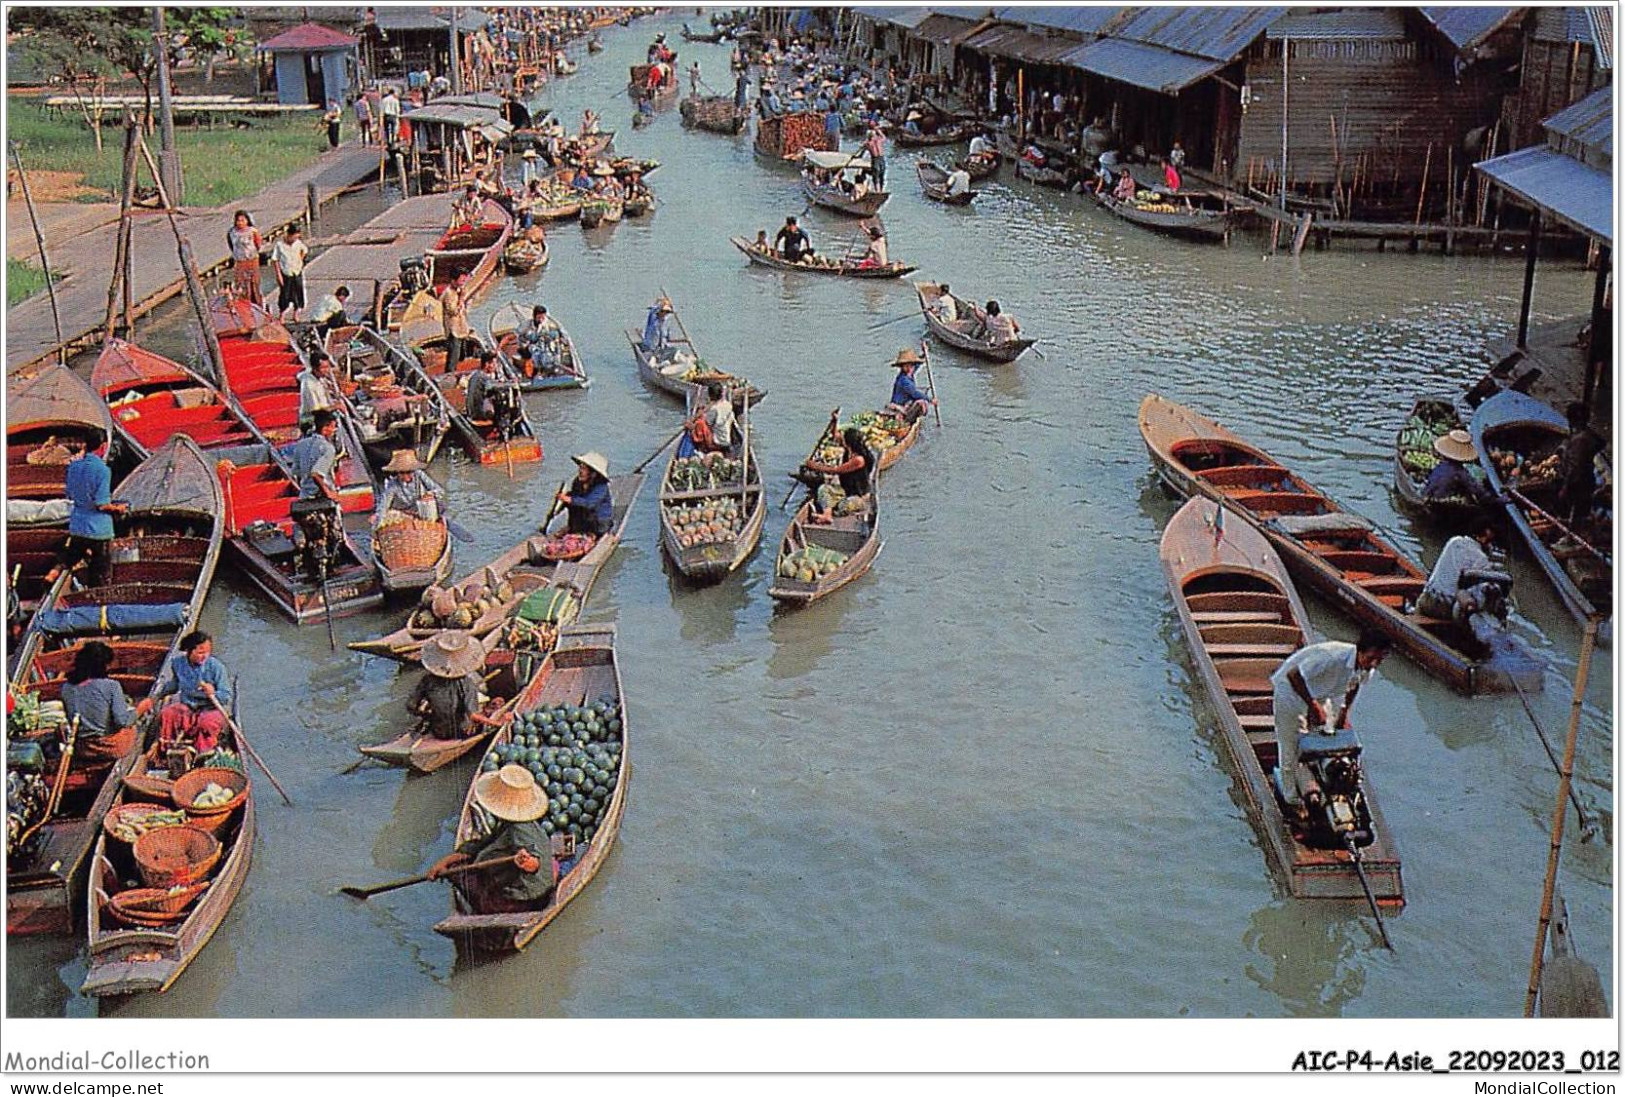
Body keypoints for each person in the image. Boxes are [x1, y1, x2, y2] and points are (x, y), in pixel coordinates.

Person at [1269, 631, 1390, 810]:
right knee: (1290, 748)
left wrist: (1344, 713)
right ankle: (1292, 799)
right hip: (1291, 692)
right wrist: (1313, 706)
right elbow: (1294, 675)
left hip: (1321, 692)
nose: (1374, 664)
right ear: (1360, 651)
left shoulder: (1366, 668)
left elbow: (1354, 686)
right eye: (1371, 658)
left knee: (1331, 737)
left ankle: (1325, 780)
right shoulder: (1332, 657)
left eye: (1379, 660)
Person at [427, 763, 557, 913]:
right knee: (456, 865)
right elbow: (481, 844)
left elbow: (534, 862)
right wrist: (444, 862)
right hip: (527, 886)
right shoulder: (509, 823)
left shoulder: (520, 828)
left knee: (457, 873)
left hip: (525, 896)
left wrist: (526, 861)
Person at [48, 430, 125, 591]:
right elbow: (102, 504)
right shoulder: (103, 470)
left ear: (85, 445)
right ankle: (95, 596)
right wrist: (119, 508)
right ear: (103, 447)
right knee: (100, 569)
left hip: (77, 524)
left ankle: (52, 574)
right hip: (98, 529)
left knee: (70, 557)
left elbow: (69, 493)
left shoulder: (74, 466)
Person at [60, 640, 148, 762]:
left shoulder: (66, 687)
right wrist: (142, 708)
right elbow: (123, 721)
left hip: (84, 749)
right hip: (111, 748)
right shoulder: (111, 686)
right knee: (134, 725)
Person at [153, 630, 232, 755]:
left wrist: (213, 693)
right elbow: (175, 684)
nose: (204, 656)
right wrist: (157, 696)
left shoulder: (216, 667)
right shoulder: (178, 664)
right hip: (189, 705)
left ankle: (204, 752)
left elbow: (226, 696)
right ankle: (167, 749)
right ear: (190, 651)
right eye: (200, 652)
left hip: (211, 708)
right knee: (167, 714)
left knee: (205, 723)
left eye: (207, 652)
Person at [409, 631, 487, 740]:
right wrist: (496, 723)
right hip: (463, 732)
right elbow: (473, 715)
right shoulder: (466, 683)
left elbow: (411, 705)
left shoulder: (427, 680)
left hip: (439, 731)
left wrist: (428, 715)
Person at [1418, 523, 1499, 621]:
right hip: (1446, 608)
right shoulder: (1481, 559)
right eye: (1490, 541)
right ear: (1484, 539)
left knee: (1420, 603)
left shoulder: (1454, 541)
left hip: (1428, 599)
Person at [803, 427, 875, 525]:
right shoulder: (849, 450)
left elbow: (835, 471)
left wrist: (815, 466)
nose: (841, 439)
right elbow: (835, 436)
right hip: (845, 491)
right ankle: (827, 515)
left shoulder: (859, 460)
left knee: (842, 506)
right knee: (823, 489)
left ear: (848, 442)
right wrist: (834, 420)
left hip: (859, 496)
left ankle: (831, 512)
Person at [1556, 402, 1605, 525]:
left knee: (1571, 513)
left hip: (1577, 485)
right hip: (1587, 480)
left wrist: (1565, 489)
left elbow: (1574, 469)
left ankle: (1569, 534)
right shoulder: (1588, 435)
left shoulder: (1580, 440)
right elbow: (1600, 444)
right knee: (1580, 510)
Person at [374, 450, 446, 528]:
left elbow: (440, 490)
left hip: (423, 511)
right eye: (402, 473)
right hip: (406, 514)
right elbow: (384, 504)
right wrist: (377, 525)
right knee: (389, 515)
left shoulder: (419, 475)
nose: (405, 476)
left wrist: (430, 494)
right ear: (397, 472)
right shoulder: (393, 484)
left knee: (437, 503)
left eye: (409, 472)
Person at [280, 410, 340, 502]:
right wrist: (328, 493)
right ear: (325, 428)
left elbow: (296, 471)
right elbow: (316, 474)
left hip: (304, 496)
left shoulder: (301, 444)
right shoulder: (328, 448)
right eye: (333, 427)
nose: (334, 430)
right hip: (322, 497)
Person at [1423, 430, 1492, 505]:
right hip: (1443, 504)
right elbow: (1478, 491)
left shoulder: (1440, 466)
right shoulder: (1460, 473)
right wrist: (1498, 500)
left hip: (1431, 497)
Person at [557, 452, 614, 536]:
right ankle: (573, 528)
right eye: (580, 468)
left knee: (573, 501)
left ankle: (591, 535)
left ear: (593, 474)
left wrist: (569, 499)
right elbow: (574, 498)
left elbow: (589, 503)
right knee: (571, 500)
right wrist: (561, 505)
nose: (580, 471)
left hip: (599, 522)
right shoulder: (577, 482)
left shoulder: (601, 487)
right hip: (585, 519)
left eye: (584, 469)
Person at [885, 347, 936, 423]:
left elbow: (917, 365)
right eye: (906, 366)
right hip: (899, 406)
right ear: (902, 367)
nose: (909, 368)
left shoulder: (909, 373)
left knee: (919, 402)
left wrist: (924, 354)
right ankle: (907, 421)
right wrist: (930, 400)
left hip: (906, 403)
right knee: (921, 403)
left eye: (911, 366)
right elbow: (914, 393)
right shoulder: (904, 380)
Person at [271, 225, 309, 323]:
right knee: (285, 294)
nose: (295, 239)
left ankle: (296, 313)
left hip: (296, 271)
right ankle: (282, 314)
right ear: (289, 234)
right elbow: (275, 260)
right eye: (294, 237)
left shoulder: (298, 243)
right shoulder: (279, 245)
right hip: (286, 272)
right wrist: (278, 275)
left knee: (298, 292)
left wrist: (300, 261)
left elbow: (304, 250)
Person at [296, 352, 339, 433]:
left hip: (321, 414)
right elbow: (318, 411)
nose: (327, 370)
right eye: (324, 368)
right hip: (311, 420)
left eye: (328, 367)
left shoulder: (317, 376)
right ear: (315, 369)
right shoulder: (309, 385)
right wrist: (336, 406)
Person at [226, 210, 263, 304]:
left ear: (247, 221)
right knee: (241, 284)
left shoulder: (253, 231)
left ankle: (257, 304)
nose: (240, 223)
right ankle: (245, 305)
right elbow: (231, 245)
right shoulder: (232, 232)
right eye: (238, 220)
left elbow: (258, 244)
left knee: (254, 283)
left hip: (252, 260)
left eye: (243, 220)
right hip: (239, 262)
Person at [442, 273, 472, 371]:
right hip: (453, 329)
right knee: (454, 354)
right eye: (461, 281)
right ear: (453, 280)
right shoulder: (448, 294)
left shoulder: (458, 291)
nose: (462, 283)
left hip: (461, 326)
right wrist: (461, 299)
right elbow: (453, 311)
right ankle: (450, 374)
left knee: (463, 353)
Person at [464, 352, 502, 422]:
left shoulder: (475, 374)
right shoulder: (483, 378)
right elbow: (495, 387)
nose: (495, 366)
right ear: (487, 364)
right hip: (478, 414)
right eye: (494, 364)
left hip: (470, 412)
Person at [703, 381, 737, 453]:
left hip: (717, 442)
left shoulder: (714, 409)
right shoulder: (728, 405)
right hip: (727, 440)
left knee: (700, 424)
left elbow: (707, 423)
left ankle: (702, 448)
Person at [863, 124, 887, 190]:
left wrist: (878, 130)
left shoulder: (873, 142)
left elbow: (884, 137)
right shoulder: (874, 142)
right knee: (879, 175)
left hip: (878, 159)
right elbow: (884, 137)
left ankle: (879, 190)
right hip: (878, 159)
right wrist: (877, 130)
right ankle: (879, 190)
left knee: (879, 175)